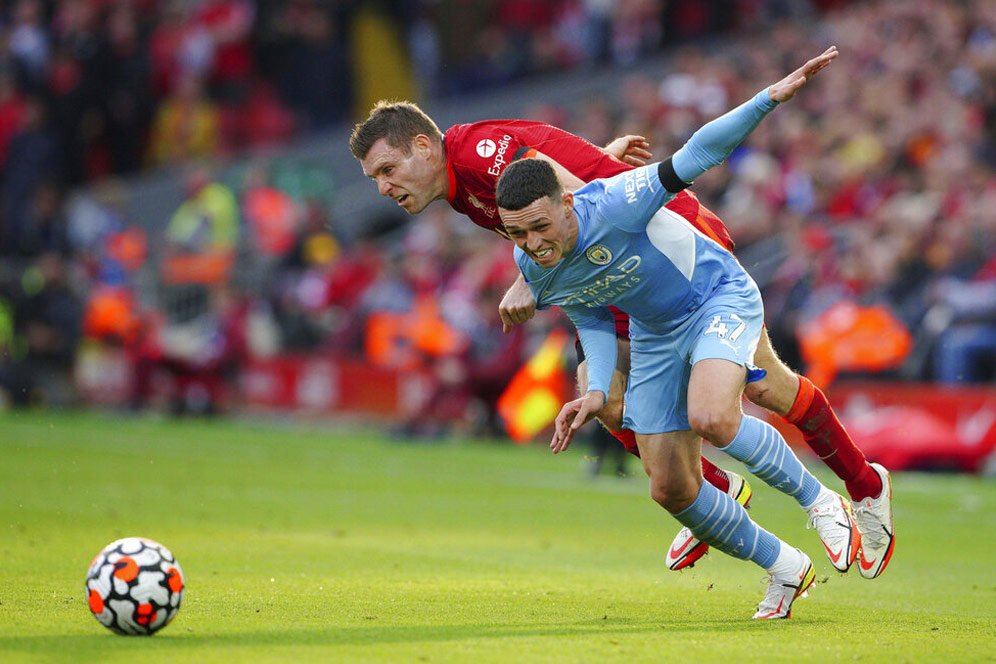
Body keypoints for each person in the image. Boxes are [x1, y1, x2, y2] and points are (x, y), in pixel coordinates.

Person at [348, 48, 894, 579]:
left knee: (763, 386)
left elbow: (556, 193)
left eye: (388, 169)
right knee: (602, 396)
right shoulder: (460, 185)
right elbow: (556, 189)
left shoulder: (473, 153)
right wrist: (600, 159)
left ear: (423, 146)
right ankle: (714, 491)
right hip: (603, 263)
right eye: (374, 178)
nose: (382, 187)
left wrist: (525, 278)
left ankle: (865, 487)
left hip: (666, 238)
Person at [495, 47, 864, 618]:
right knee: (669, 486)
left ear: (567, 203)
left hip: (716, 296)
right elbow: (589, 314)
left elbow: (695, 155)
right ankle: (785, 569)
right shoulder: (533, 263)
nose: (534, 244)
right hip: (655, 331)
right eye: (518, 236)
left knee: (713, 415)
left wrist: (768, 98)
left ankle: (820, 501)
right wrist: (594, 392)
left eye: (540, 227)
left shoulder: (615, 202)